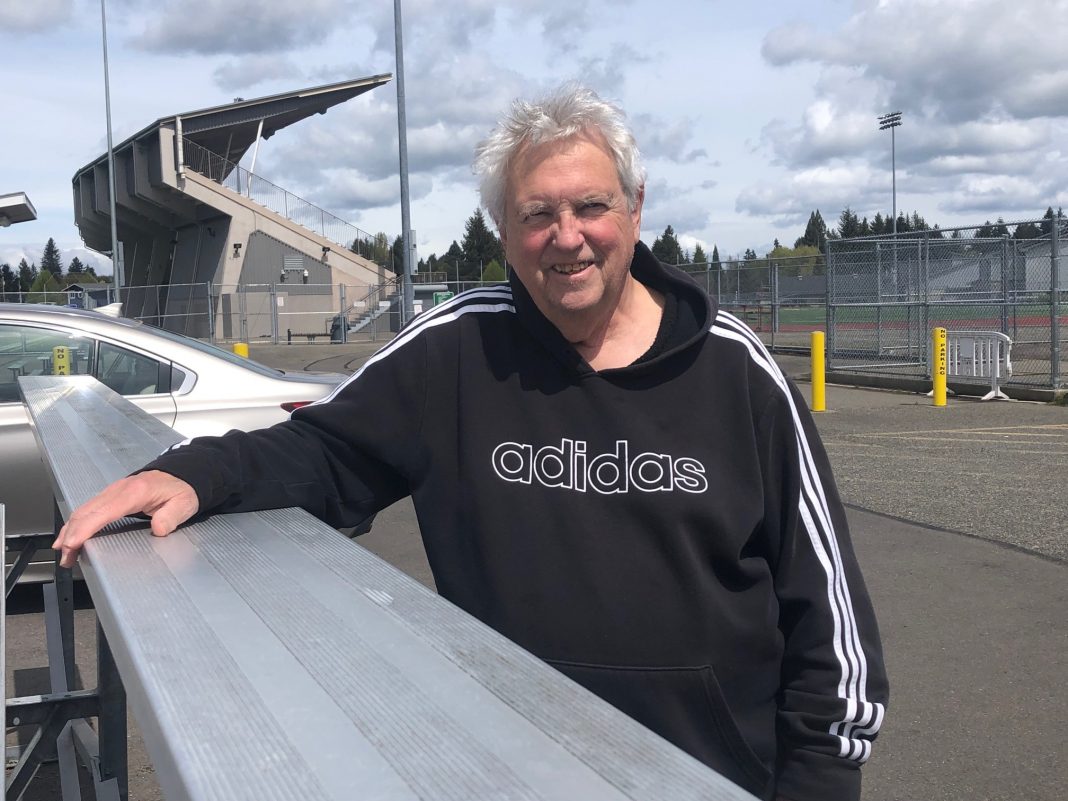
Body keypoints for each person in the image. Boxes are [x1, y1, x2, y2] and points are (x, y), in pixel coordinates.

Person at [55, 83, 887, 801]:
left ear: (636, 208)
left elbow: (832, 629)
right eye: (537, 215)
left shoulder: (735, 370)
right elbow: (325, 451)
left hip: (710, 776)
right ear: (501, 227)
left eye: (591, 205)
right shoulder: (457, 349)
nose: (568, 236)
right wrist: (195, 475)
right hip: (505, 769)